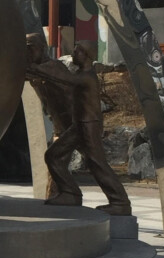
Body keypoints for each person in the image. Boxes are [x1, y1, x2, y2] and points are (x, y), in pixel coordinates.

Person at [28, 41, 132, 216]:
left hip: (89, 125)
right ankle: (70, 193)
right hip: (80, 126)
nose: (73, 55)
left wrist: (33, 68)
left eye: (76, 52)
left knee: (97, 163)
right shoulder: (80, 73)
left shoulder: (87, 76)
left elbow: (66, 80)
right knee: (54, 156)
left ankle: (120, 202)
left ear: (86, 55)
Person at [24, 33, 82, 206]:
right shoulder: (36, 69)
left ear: (42, 48)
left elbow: (31, 70)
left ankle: (71, 194)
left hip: (76, 124)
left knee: (55, 158)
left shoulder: (52, 66)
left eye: (30, 48)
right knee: (55, 163)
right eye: (24, 49)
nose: (27, 53)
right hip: (62, 127)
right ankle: (60, 196)